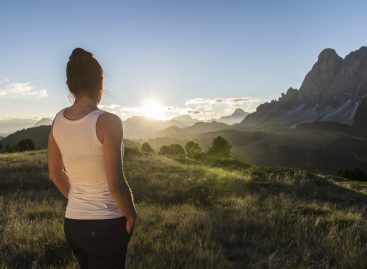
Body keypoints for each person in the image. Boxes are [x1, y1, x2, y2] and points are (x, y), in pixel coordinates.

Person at [47, 47, 137, 269]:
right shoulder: (109, 122)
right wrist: (131, 215)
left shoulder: (58, 121)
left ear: (70, 85)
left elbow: (55, 174)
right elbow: (115, 184)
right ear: (101, 84)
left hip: (73, 225)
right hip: (106, 226)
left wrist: (79, 200)